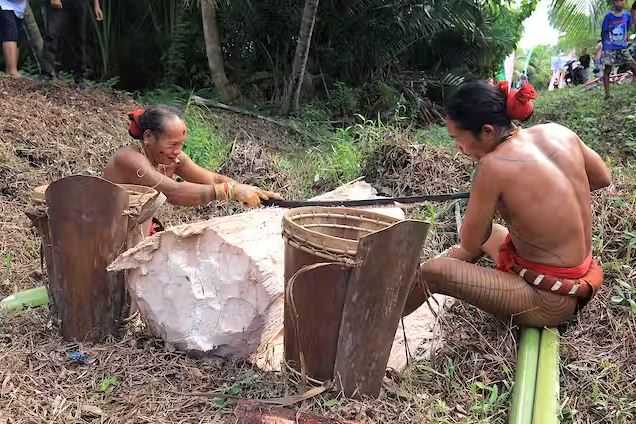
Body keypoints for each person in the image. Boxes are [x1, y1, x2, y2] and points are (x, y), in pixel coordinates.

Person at [403, 80, 610, 327]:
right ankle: (419, 281)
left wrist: (493, 200)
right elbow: (602, 178)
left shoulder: (492, 167)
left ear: (487, 131)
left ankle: (380, 318)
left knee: (433, 273)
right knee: (494, 237)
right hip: (582, 277)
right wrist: (540, 205)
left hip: (551, 300)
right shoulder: (558, 132)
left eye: (458, 138)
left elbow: (470, 241)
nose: (458, 149)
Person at [103, 105, 281, 233]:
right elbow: (174, 193)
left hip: (135, 231)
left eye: (181, 145)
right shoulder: (129, 160)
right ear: (148, 137)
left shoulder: (171, 158)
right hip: (104, 235)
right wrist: (229, 191)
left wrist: (251, 191)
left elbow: (213, 179)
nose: (177, 151)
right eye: (172, 144)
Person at [41, 0, 103, 82]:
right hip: (62, 2)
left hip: (81, 3)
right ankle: (46, 74)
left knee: (80, 38)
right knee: (52, 35)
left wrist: (96, 5)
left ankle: (80, 77)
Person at [600, 0, 636, 99]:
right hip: (610, 47)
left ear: (624, 2)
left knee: (632, 65)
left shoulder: (627, 15)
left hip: (622, 47)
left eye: (621, 1)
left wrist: (624, 38)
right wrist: (604, 47)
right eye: (617, 1)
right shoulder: (608, 17)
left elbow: (628, 27)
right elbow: (603, 31)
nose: (619, 3)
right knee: (607, 69)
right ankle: (607, 94)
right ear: (613, 2)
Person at [0, 0, 27, 77]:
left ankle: (10, 70)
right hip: (5, 5)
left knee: (17, 37)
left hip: (19, 9)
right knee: (10, 35)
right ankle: (12, 71)